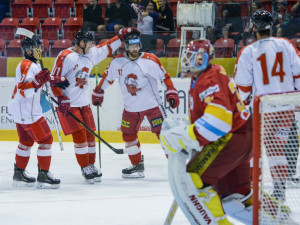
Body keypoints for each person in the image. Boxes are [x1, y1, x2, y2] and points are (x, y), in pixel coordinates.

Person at [160, 39, 253, 224]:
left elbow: (219, 121)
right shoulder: (204, 77)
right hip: (242, 137)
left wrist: (186, 136)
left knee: (193, 179)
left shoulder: (209, 80)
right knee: (235, 195)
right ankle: (277, 219)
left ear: (202, 59)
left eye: (191, 57)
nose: (186, 60)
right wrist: (190, 127)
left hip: (230, 139)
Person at [50, 28, 138, 184]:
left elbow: (108, 47)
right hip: (69, 104)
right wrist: (60, 97)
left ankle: (91, 164)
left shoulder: (91, 53)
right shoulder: (66, 57)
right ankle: (85, 167)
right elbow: (53, 80)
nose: (92, 45)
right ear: (81, 42)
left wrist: (121, 35)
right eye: (89, 42)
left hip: (84, 104)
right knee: (80, 136)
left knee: (91, 136)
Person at [92, 29, 180, 179]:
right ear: (126, 46)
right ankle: (137, 165)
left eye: (137, 46)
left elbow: (164, 77)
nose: (135, 49)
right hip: (131, 108)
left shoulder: (150, 60)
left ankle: (176, 167)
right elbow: (108, 78)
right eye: (132, 47)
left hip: (153, 106)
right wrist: (99, 91)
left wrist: (171, 90)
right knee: (128, 135)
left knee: (163, 134)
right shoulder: (117, 62)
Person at [234, 10, 300, 200]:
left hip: (263, 109)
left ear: (254, 28)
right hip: (286, 109)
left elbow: (243, 89)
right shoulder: (286, 45)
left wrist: (245, 101)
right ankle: (279, 191)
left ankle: (253, 189)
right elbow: (298, 75)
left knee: (254, 149)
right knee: (277, 148)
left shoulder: (248, 51)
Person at [7, 37, 68, 189]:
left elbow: (40, 80)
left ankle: (19, 174)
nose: (41, 50)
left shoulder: (32, 64)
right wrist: (36, 83)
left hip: (23, 111)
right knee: (46, 141)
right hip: (29, 112)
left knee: (26, 142)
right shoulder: (26, 65)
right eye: (38, 48)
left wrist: (55, 79)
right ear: (28, 51)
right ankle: (44, 175)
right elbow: (23, 88)